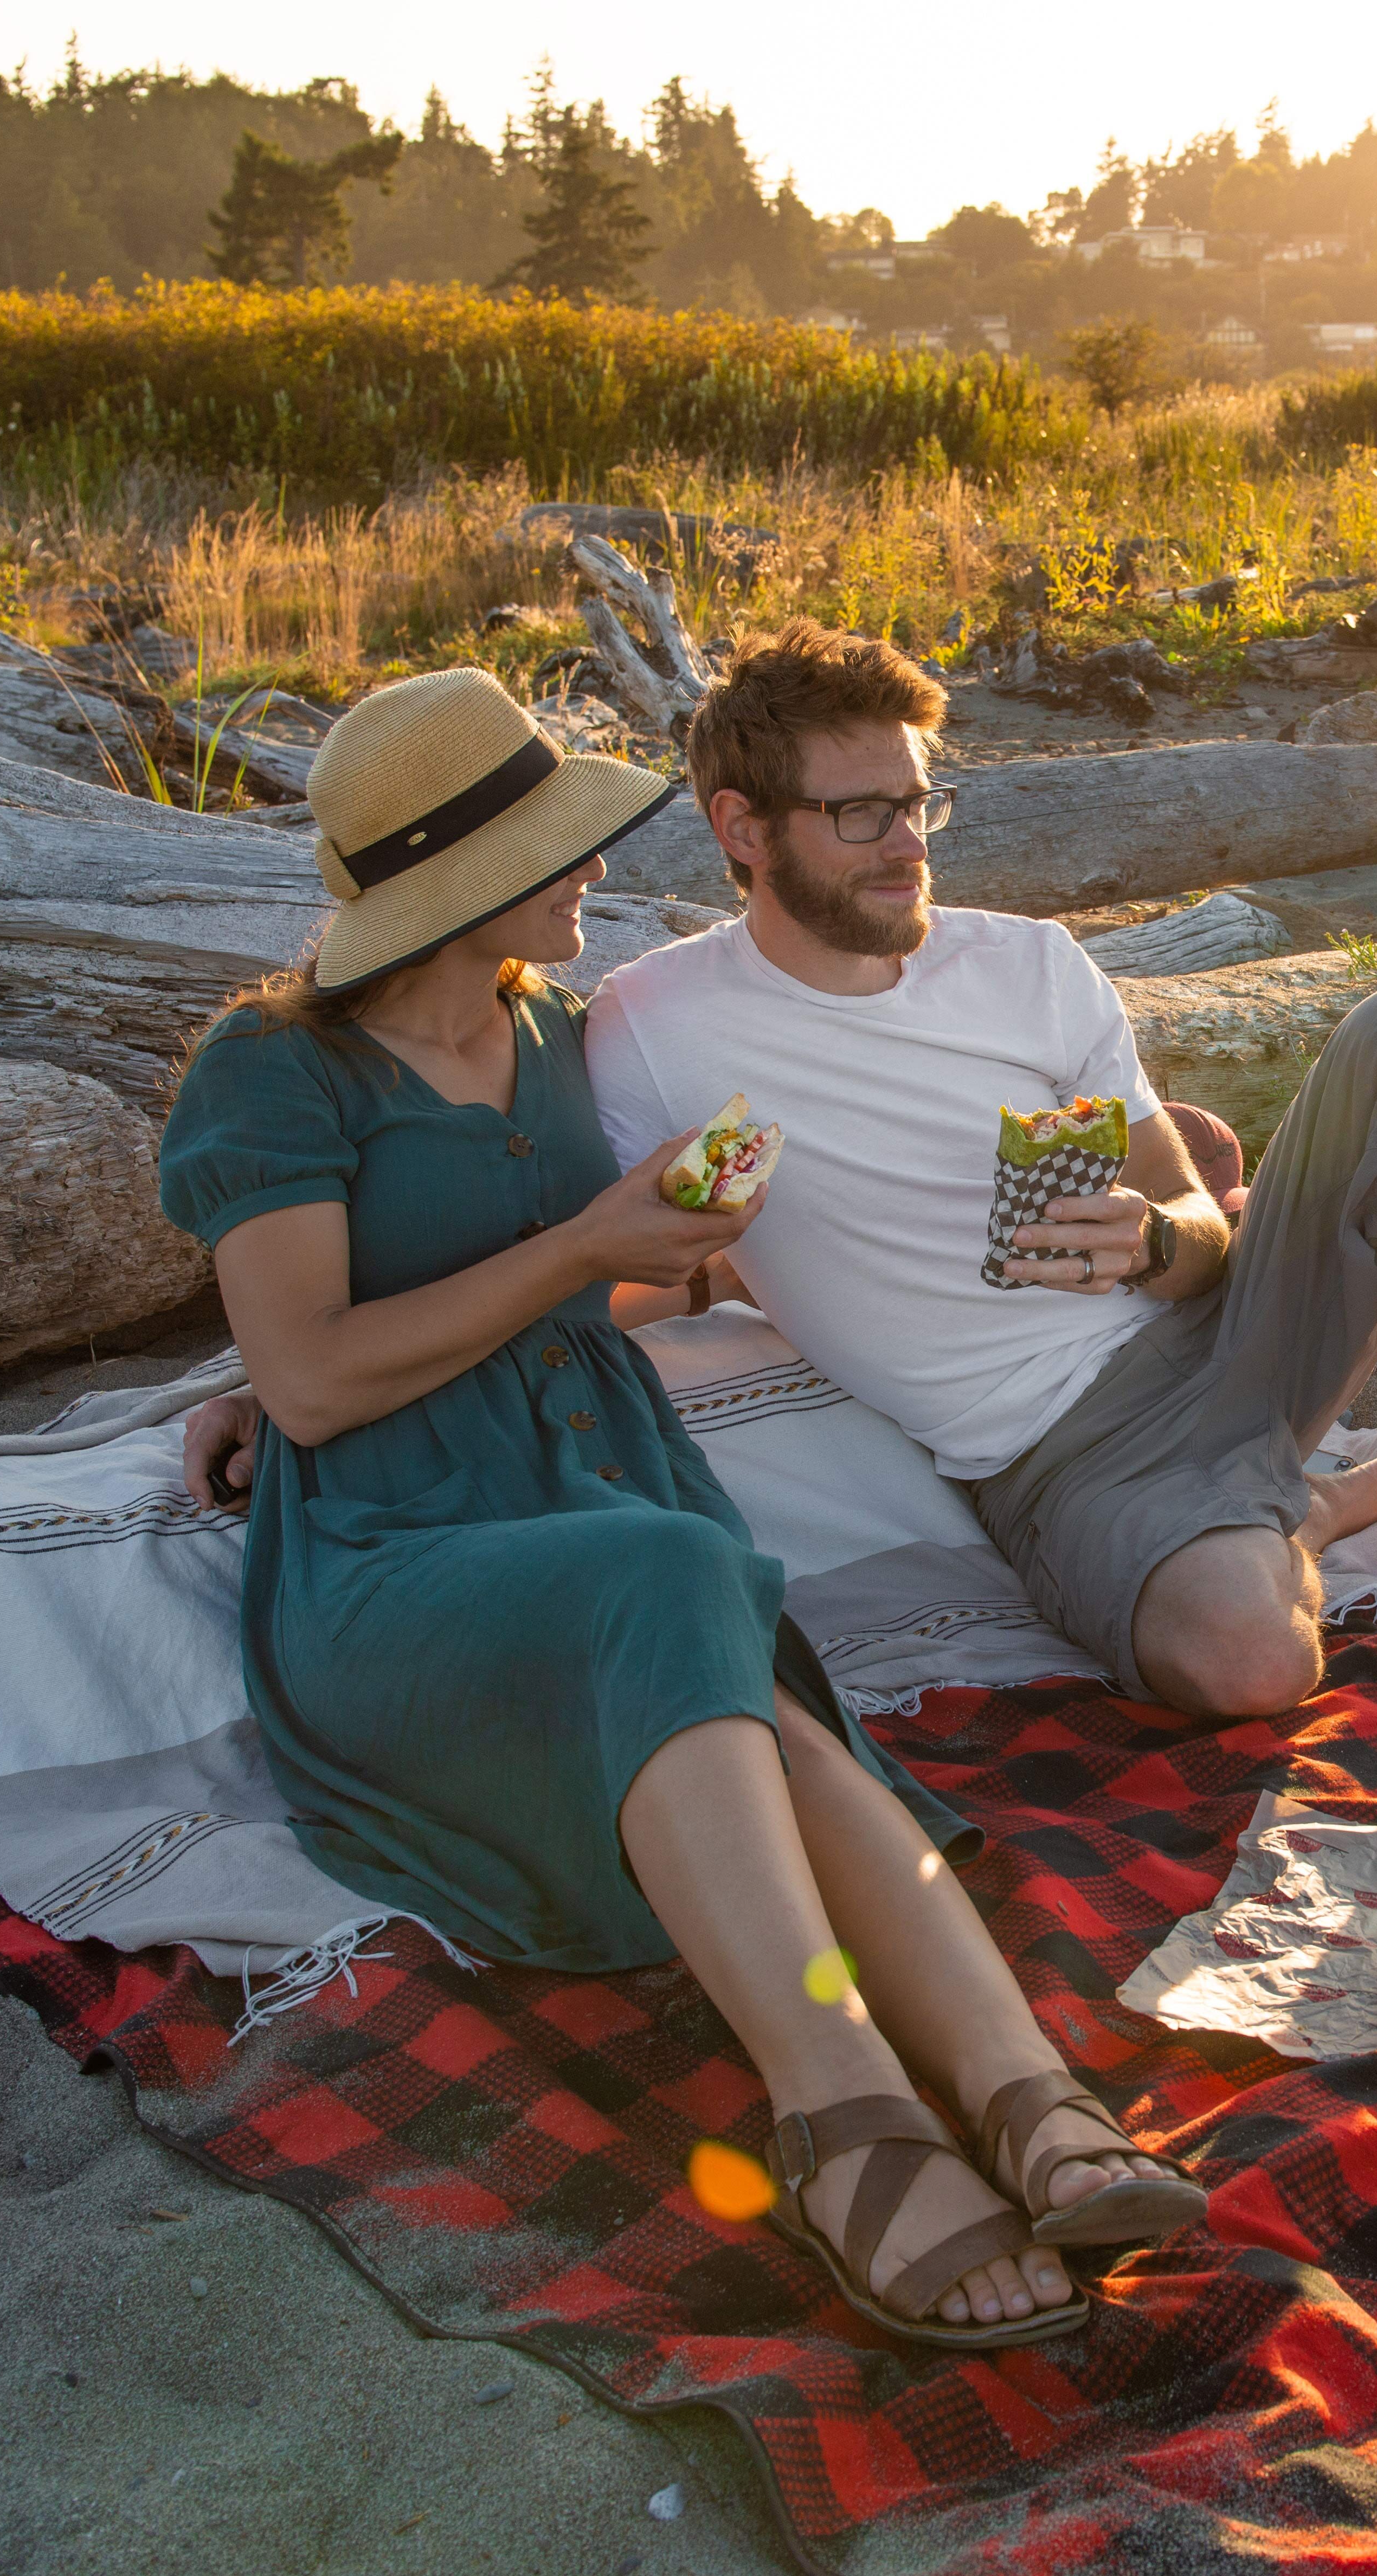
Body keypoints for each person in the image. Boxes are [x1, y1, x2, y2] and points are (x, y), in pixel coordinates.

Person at [155, 667, 1199, 2353]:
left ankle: (1028, 2096)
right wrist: (546, 1262)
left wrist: (703, 1250)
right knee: (673, 1573)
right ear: (463, 875)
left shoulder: (567, 1038)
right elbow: (315, 1382)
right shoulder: (277, 1073)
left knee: (776, 1713)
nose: (594, 878)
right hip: (404, 1556)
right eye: (560, 849)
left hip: (603, 1482)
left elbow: (616, 1282)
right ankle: (841, 2115)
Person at [575, 620, 1377, 1720]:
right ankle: (1323, 1503)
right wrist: (715, 1261)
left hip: (1232, 1328)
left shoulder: (1030, 965)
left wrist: (1160, 1238)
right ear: (741, 828)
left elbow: (1193, 1211)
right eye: (862, 812)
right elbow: (603, 1284)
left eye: (921, 803)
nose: (910, 843)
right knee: (1250, 1661)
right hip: (1069, 1451)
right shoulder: (655, 1026)